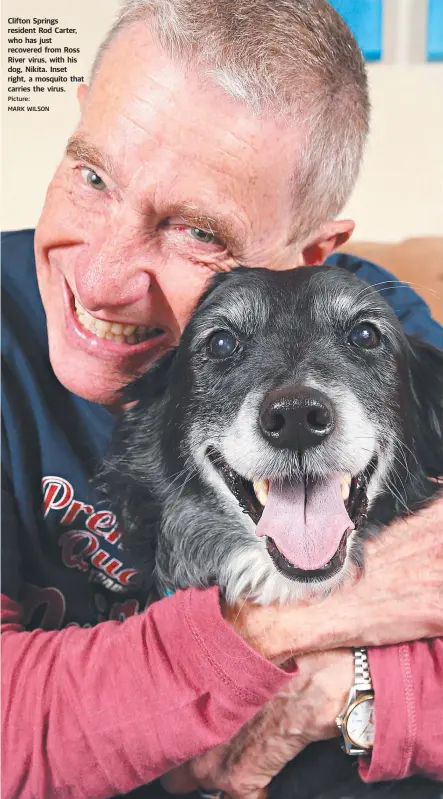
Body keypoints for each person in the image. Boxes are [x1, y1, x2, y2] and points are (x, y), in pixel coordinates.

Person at [2, 1, 442, 798]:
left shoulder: (368, 333)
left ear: (305, 255)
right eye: (93, 175)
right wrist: (290, 625)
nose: (99, 279)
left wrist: (352, 695)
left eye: (198, 232)